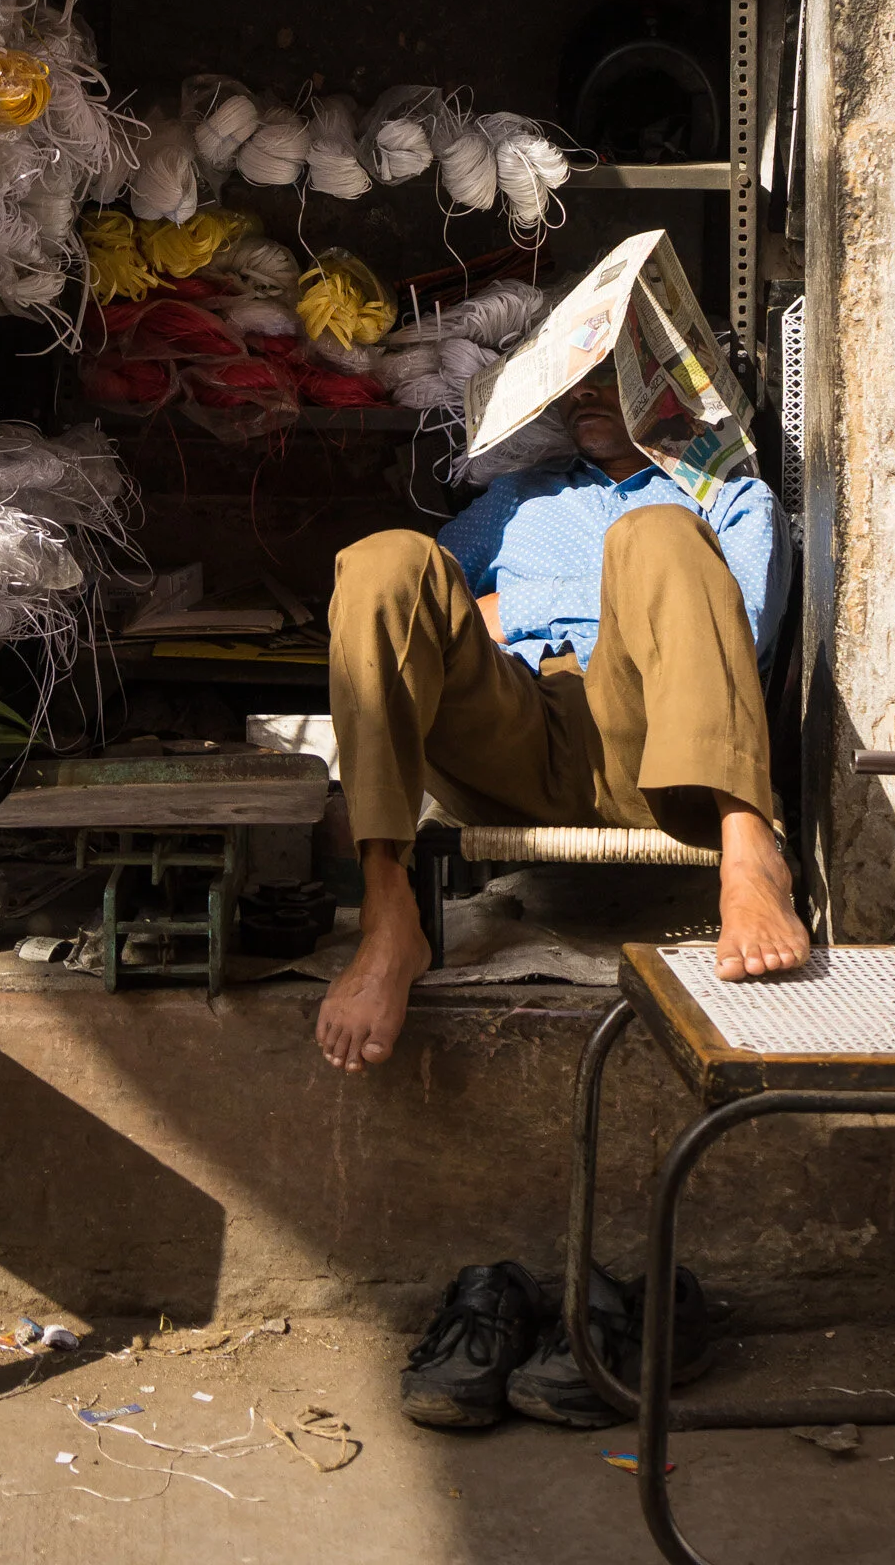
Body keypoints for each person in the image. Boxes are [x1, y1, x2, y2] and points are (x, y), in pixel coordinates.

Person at [316, 365, 810, 1072]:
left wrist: (517, 608)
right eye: (576, 379)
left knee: (658, 533)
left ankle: (749, 854)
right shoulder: (517, 498)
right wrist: (474, 615)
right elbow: (403, 614)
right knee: (380, 561)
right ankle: (389, 909)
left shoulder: (732, 502)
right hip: (511, 735)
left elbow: (743, 631)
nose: (585, 393)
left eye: (611, 375)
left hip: (651, 747)